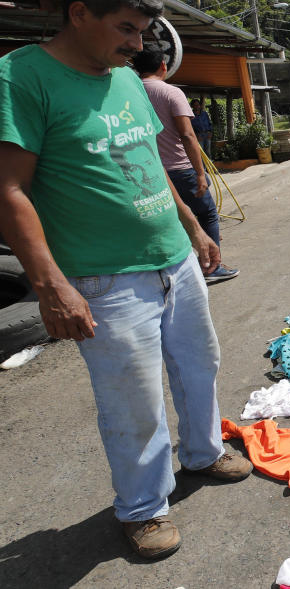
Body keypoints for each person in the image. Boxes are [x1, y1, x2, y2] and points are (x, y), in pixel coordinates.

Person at [0, 0, 253, 560]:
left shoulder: (126, 81)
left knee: (199, 363)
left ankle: (203, 452)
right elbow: (9, 189)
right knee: (132, 400)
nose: (137, 44)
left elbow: (148, 162)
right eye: (126, 29)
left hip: (173, 259)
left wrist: (192, 230)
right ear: (80, 12)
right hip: (104, 276)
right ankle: (142, 508)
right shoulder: (20, 76)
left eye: (142, 32)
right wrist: (51, 285)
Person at [133, 48, 239, 284]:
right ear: (163, 65)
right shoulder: (171, 92)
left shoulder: (131, 92)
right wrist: (200, 173)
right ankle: (212, 266)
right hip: (180, 169)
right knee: (207, 213)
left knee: (170, 219)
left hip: (150, 172)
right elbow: (188, 135)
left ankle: (178, 271)